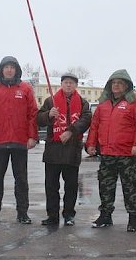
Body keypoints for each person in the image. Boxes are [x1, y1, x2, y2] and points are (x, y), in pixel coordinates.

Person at [85, 69, 136, 232]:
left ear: (127, 85)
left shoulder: (135, 103)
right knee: (105, 186)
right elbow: (95, 126)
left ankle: (133, 218)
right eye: (114, 83)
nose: (116, 86)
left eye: (120, 83)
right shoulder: (103, 104)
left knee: (131, 186)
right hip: (107, 153)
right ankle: (105, 215)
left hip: (127, 153)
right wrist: (91, 144)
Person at [0, 56, 38, 226]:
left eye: (12, 67)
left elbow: (32, 114)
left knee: (21, 179)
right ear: (1, 70)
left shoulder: (25, 89)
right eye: (6, 67)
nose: (9, 70)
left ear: (17, 70)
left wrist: (32, 136)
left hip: (20, 141)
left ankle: (22, 213)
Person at [36, 73, 92, 227]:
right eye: (66, 82)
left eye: (72, 83)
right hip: (53, 150)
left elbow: (86, 119)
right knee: (51, 185)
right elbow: (38, 119)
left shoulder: (82, 102)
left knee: (71, 185)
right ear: (61, 84)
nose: (68, 85)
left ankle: (68, 214)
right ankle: (52, 215)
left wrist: (71, 130)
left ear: (76, 86)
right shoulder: (50, 101)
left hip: (72, 149)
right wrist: (48, 114)